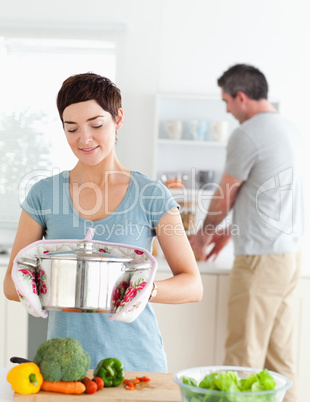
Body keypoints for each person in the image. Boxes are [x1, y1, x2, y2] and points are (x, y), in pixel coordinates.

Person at [3, 72, 203, 371]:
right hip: (66, 366)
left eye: (96, 125)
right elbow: (10, 285)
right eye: (71, 129)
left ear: (118, 119)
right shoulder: (44, 195)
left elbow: (192, 286)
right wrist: (48, 286)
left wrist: (142, 290)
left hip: (136, 363)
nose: (84, 138)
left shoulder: (151, 195)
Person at [190, 64, 304, 402]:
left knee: (242, 360)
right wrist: (230, 228)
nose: (226, 109)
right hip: (288, 258)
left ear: (241, 97)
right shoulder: (289, 129)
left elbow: (226, 193)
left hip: (259, 261)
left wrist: (200, 236)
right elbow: (264, 195)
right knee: (280, 362)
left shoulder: (248, 133)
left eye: (226, 101)